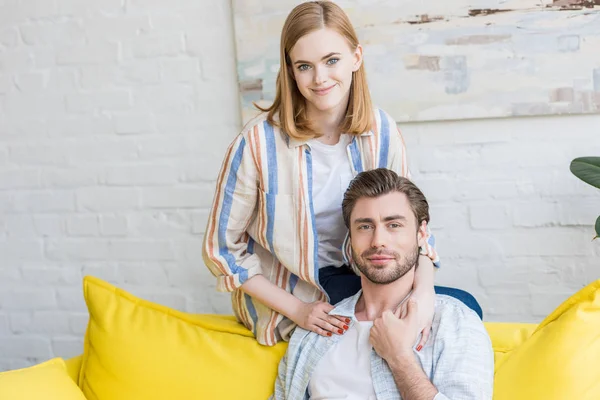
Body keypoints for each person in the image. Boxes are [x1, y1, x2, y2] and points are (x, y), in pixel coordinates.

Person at [202, 1, 479, 347]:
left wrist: (423, 297)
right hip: (292, 292)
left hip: (368, 277)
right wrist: (299, 310)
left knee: (465, 309)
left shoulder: (381, 132)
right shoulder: (256, 143)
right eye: (304, 66)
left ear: (356, 58)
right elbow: (222, 249)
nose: (320, 78)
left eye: (332, 60)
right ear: (290, 71)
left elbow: (412, 230)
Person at [272, 169, 494, 400]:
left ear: (421, 233)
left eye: (394, 225)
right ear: (350, 238)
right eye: (365, 227)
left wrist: (398, 357)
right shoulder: (315, 332)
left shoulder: (453, 321)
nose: (378, 241)